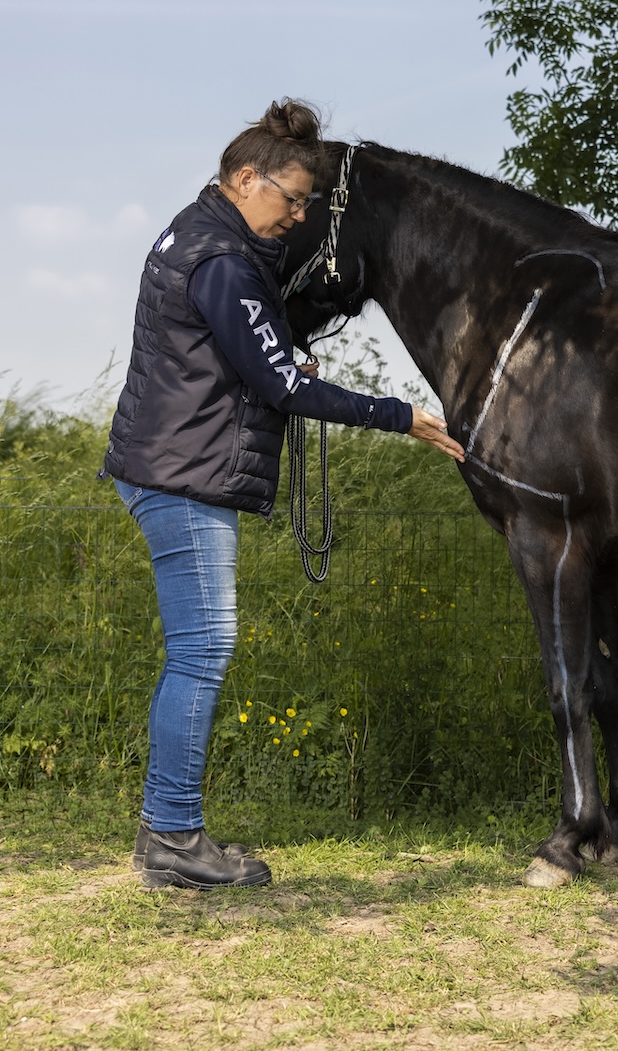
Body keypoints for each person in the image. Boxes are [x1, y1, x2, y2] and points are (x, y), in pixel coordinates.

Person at [101, 99, 464, 889]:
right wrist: (402, 415)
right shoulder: (223, 261)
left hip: (167, 461)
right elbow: (275, 382)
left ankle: (170, 832)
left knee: (197, 650)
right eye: (291, 199)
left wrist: (278, 359)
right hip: (182, 474)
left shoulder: (200, 230)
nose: (298, 216)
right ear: (245, 177)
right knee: (201, 650)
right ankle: (171, 837)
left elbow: (239, 352)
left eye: (307, 204)